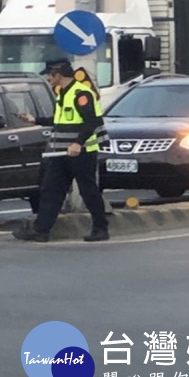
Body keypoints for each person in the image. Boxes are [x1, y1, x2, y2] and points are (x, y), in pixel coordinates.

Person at [15, 59, 110, 243]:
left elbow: (92, 122)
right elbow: (61, 121)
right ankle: (41, 231)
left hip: (81, 152)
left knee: (88, 191)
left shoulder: (81, 93)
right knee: (51, 190)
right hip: (60, 153)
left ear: (58, 75)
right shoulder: (63, 94)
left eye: (49, 75)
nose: (48, 79)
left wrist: (78, 143)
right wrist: (36, 120)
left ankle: (101, 228)